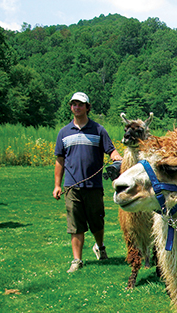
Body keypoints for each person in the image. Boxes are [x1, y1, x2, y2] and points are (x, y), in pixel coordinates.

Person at [53, 92, 123, 273]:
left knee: (97, 222)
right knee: (75, 224)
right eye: (74, 104)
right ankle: (77, 260)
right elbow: (59, 161)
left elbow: (111, 151)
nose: (77, 107)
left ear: (87, 107)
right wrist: (57, 185)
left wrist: (117, 158)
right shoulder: (63, 132)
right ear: (71, 107)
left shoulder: (98, 130)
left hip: (94, 186)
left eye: (81, 104)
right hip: (72, 187)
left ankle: (100, 247)